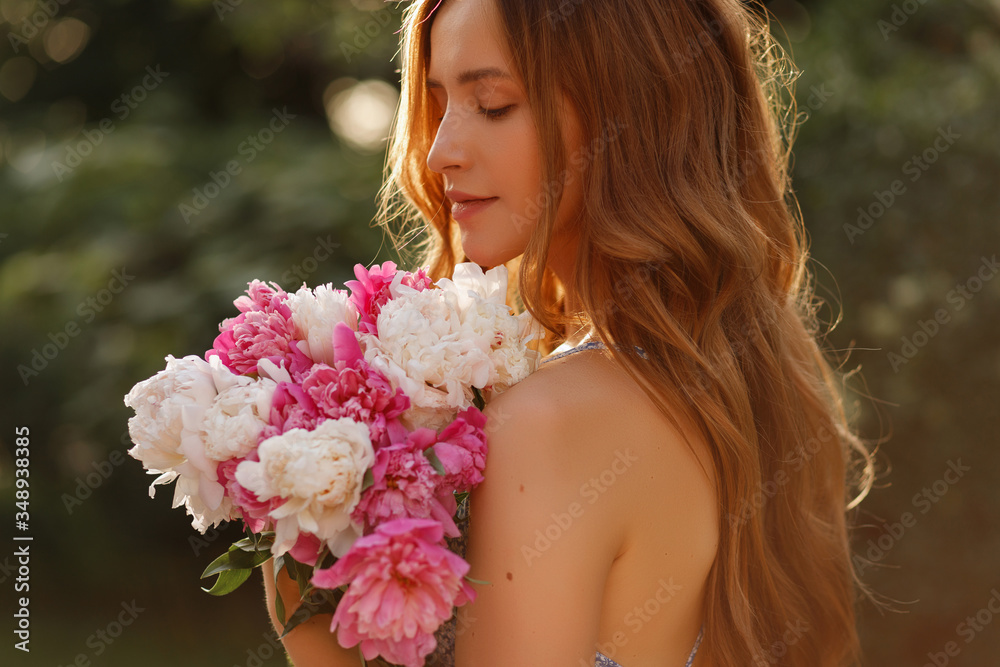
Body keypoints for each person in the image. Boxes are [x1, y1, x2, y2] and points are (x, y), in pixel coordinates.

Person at [261, 0, 878, 665]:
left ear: (631, 114)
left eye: (493, 104)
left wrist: (304, 594)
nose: (440, 151)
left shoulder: (548, 422)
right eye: (440, 104)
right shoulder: (748, 374)